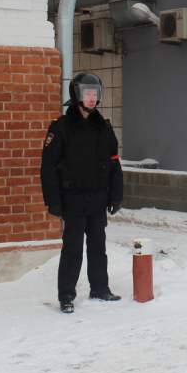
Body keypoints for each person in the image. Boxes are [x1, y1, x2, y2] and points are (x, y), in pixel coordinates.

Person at [40, 72, 124, 313]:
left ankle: (100, 288)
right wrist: (53, 201)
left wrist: (115, 196)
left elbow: (114, 162)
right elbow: (48, 167)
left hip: (98, 197)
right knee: (72, 249)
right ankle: (66, 295)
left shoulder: (104, 127)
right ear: (76, 95)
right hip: (73, 199)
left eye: (94, 94)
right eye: (87, 93)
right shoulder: (61, 128)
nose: (91, 98)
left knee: (98, 246)